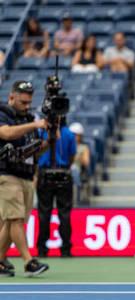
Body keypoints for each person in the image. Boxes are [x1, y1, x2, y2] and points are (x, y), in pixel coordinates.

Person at [0, 81, 49, 277]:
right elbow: (6, 133)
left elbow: (36, 150)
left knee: (12, 223)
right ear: (12, 97)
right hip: (6, 173)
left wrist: (51, 138)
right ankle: (29, 262)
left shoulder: (28, 117)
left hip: (26, 174)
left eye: (29, 102)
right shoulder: (3, 113)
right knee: (16, 219)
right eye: (23, 102)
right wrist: (35, 124)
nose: (27, 106)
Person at [36, 117, 77, 258]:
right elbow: (72, 156)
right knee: (64, 213)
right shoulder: (69, 134)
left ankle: (42, 249)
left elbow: (37, 151)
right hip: (63, 174)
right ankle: (65, 249)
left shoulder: (43, 132)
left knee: (44, 213)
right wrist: (65, 166)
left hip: (45, 174)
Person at [69, 122, 91, 203]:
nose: (74, 137)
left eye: (76, 135)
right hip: (66, 169)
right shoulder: (66, 146)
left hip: (78, 171)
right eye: (72, 134)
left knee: (74, 171)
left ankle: (75, 201)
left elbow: (86, 162)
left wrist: (77, 156)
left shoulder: (84, 147)